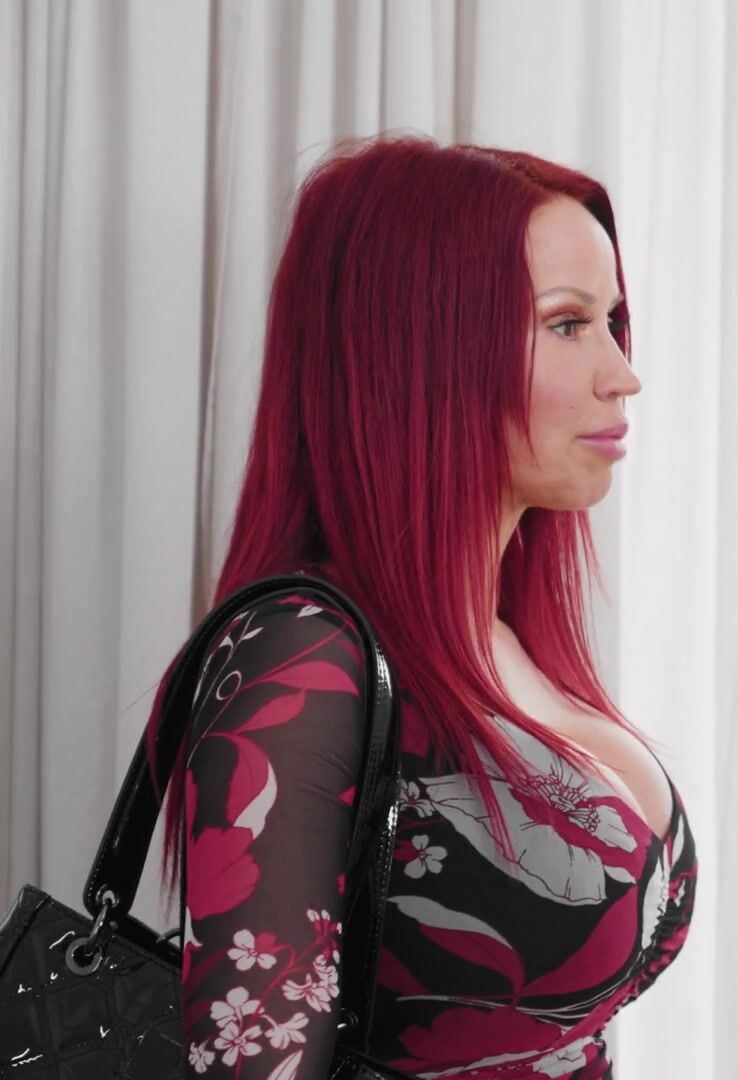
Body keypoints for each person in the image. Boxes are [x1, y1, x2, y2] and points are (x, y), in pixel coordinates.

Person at [144, 135, 696, 1080]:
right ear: (425, 353)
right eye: (568, 324)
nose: (622, 372)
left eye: (613, 321)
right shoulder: (305, 658)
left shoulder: (503, 639)